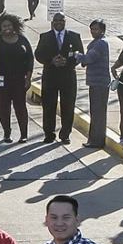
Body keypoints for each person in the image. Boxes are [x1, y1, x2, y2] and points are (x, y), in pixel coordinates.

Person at [34, 13, 83, 145]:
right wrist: (51, 61)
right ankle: (49, 134)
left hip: (68, 76)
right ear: (52, 22)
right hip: (50, 76)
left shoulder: (74, 36)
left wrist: (67, 62)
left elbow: (80, 55)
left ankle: (65, 134)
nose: (58, 23)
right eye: (56, 20)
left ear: (65, 21)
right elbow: (38, 54)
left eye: (61, 20)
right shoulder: (45, 37)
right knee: (49, 106)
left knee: (68, 106)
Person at [0, 15, 34, 142]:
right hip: (1, 80)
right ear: (0, 27)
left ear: (14, 26)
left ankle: (24, 134)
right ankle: (7, 133)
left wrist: (28, 78)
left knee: (20, 106)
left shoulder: (22, 40)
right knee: (4, 107)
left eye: (9, 25)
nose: (7, 28)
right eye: (4, 26)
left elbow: (30, 59)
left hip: (19, 80)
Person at [81, 18, 112, 149]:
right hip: (95, 83)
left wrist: (76, 55)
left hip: (100, 83)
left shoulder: (101, 44)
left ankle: (97, 140)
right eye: (92, 29)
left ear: (102, 30)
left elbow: (89, 58)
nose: (93, 31)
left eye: (96, 29)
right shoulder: (96, 42)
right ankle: (93, 139)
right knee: (95, 112)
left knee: (98, 113)